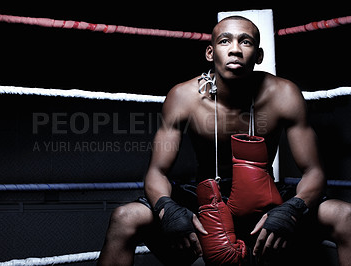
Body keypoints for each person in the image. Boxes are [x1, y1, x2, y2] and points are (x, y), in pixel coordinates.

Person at [97, 16, 351, 266]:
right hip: (204, 200)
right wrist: (167, 209)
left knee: (345, 215)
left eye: (246, 42)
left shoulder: (283, 95)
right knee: (126, 217)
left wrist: (291, 210)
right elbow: (156, 172)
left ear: (259, 56)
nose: (235, 50)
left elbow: (314, 172)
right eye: (225, 41)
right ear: (210, 52)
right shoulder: (184, 96)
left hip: (264, 201)